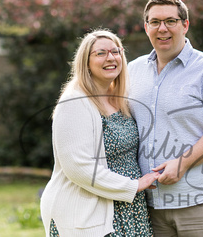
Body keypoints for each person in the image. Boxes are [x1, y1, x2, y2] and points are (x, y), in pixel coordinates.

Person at [128, 0, 203, 237]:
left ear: (185, 25)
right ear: (146, 27)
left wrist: (183, 163)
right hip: (151, 205)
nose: (163, 29)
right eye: (155, 22)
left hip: (202, 200)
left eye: (171, 21)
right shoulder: (132, 71)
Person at [40, 29, 160, 237]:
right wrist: (133, 185)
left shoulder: (121, 98)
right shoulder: (75, 101)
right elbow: (78, 166)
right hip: (88, 211)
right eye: (101, 53)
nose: (111, 58)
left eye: (116, 51)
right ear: (86, 62)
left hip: (129, 207)